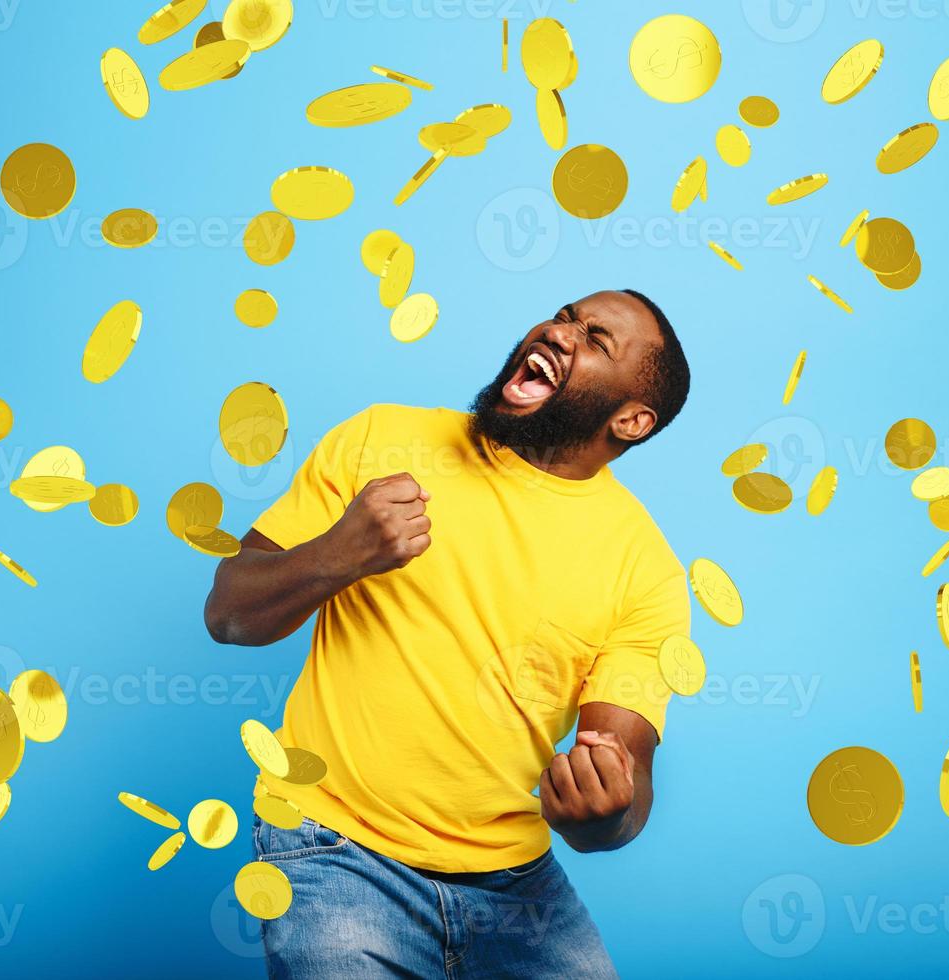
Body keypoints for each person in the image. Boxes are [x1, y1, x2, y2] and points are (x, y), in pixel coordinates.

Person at [205, 289, 693, 978]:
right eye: (562, 316)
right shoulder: (380, 438)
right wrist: (340, 552)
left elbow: (625, 774)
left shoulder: (646, 570)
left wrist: (601, 813)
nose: (559, 332)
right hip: (336, 848)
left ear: (631, 420)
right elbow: (228, 614)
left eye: (594, 339)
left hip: (517, 886)